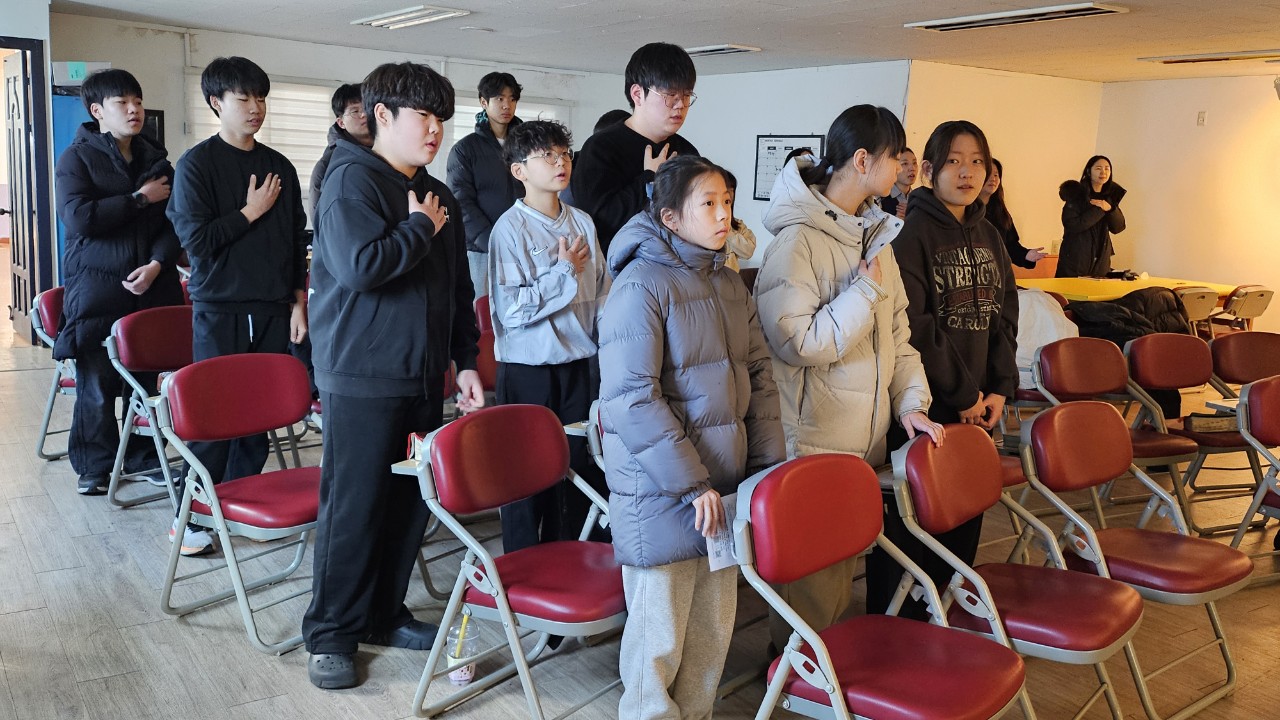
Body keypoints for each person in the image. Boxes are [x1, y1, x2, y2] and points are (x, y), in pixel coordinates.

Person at [304, 61, 485, 690]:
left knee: (408, 506)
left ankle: (382, 614)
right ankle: (331, 632)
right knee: (353, 508)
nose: (435, 129)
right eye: (423, 116)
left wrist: (465, 358)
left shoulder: (437, 194)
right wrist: (419, 227)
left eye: (442, 118)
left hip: (422, 375)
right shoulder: (349, 180)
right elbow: (361, 267)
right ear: (382, 115)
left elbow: (457, 288)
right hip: (360, 374)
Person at [600, 154, 785, 719]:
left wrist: (764, 477)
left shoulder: (728, 283)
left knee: (710, 634)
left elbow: (760, 378)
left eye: (727, 202)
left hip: (723, 490)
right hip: (663, 492)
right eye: (708, 203)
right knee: (658, 642)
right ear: (670, 217)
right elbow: (631, 399)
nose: (723, 214)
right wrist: (691, 484)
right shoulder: (640, 286)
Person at [754, 105, 938, 645]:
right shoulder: (797, 241)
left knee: (836, 577)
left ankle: (820, 677)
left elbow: (897, 335)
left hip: (861, 436)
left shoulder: (873, 234)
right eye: (895, 157)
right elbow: (797, 343)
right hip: (813, 437)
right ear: (862, 160)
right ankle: (792, 679)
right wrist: (864, 291)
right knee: (809, 590)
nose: (902, 168)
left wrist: (912, 404)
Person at [167, 56, 309, 555]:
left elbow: (294, 241)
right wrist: (250, 212)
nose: (255, 108)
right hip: (220, 307)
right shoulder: (197, 165)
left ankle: (235, 505)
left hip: (272, 307)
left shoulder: (280, 166)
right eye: (243, 98)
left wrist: (298, 302)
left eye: (261, 98)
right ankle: (188, 516)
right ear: (216, 103)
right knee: (213, 419)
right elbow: (197, 242)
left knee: (257, 419)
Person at [890, 120, 1019, 613]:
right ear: (928, 169)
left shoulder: (990, 235)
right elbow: (917, 326)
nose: (967, 172)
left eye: (977, 161)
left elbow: (1006, 316)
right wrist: (962, 395)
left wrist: (998, 388)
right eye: (954, 161)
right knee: (916, 526)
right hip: (927, 407)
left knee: (966, 516)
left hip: (981, 408)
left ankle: (953, 617)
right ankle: (903, 626)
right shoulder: (910, 235)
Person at [53, 68, 183, 496]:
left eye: (138, 101)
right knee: (97, 384)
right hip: (97, 288)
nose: (134, 110)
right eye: (122, 102)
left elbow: (172, 223)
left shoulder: (156, 159)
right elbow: (80, 218)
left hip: (152, 286)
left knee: (145, 382)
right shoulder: (76, 158)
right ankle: (95, 466)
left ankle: (144, 457)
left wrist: (158, 264)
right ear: (97, 111)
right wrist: (139, 198)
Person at [488, 119, 609, 553]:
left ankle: (572, 559)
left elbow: (603, 295)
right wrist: (563, 273)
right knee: (525, 477)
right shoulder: (510, 229)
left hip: (578, 368)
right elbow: (512, 311)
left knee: (577, 471)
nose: (561, 163)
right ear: (519, 170)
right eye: (547, 156)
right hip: (529, 372)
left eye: (564, 155)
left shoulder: (583, 222)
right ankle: (521, 569)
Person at [571, 42, 699, 254]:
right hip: (619, 268)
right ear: (638, 94)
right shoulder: (601, 149)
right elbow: (598, 220)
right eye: (670, 95)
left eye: (686, 96)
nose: (680, 105)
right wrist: (650, 178)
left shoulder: (687, 152)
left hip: (678, 266)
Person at [447, 71, 524, 296]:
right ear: (483, 102)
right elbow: (461, 203)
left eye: (512, 99)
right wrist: (493, 242)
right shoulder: (464, 150)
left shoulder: (527, 147)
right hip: (481, 250)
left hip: (523, 246)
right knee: (481, 309)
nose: (507, 105)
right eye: (499, 99)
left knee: (522, 307)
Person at [1056, 154, 1126, 278]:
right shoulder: (1076, 194)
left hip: (1101, 260)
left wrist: (1110, 209)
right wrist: (1100, 210)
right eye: (1098, 168)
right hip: (1075, 261)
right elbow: (1073, 225)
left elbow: (1118, 228)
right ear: (1089, 171)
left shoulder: (1109, 198)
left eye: (1107, 168)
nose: (1103, 172)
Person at [310, 83, 372, 218]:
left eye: (367, 108)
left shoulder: (390, 151)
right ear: (341, 123)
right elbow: (318, 215)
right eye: (355, 111)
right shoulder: (329, 162)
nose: (364, 114)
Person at [981, 158, 1046, 269]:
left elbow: (1011, 247)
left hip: (998, 273)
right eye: (988, 174)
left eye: (996, 175)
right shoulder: (964, 210)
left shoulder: (1000, 212)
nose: (993, 179)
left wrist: (1027, 255)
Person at [722, 171, 756, 271]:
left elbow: (748, 252)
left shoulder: (738, 225)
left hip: (731, 279)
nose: (729, 194)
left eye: (731, 189)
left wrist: (728, 231)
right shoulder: (702, 226)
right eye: (725, 189)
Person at [879, 147, 917, 219]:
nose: (912, 168)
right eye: (905, 163)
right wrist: (896, 221)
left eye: (914, 163)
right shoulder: (880, 198)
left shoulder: (919, 200)